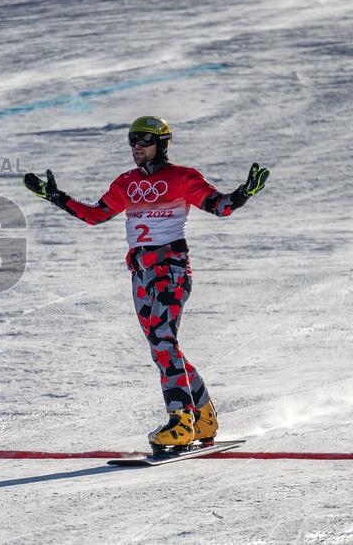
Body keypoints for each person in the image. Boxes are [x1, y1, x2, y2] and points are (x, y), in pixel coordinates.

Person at [23, 116, 269, 450]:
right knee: (162, 346)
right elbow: (95, 215)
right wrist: (56, 196)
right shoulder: (126, 182)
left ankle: (181, 421)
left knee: (164, 342)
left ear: (162, 144)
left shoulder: (182, 177)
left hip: (171, 269)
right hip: (141, 274)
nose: (137, 147)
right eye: (133, 141)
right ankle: (204, 416)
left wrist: (244, 193)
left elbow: (219, 206)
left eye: (145, 141)